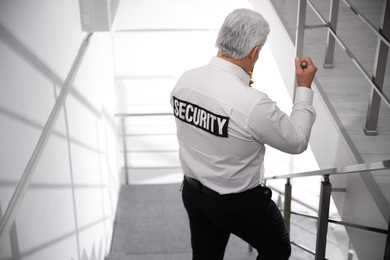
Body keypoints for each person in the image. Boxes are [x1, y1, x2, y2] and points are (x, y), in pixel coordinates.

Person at [170, 8, 317, 260]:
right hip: (238, 204)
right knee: (277, 249)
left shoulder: (185, 81)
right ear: (255, 52)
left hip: (193, 194)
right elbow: (297, 140)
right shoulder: (253, 104)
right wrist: (304, 87)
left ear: (222, 38)